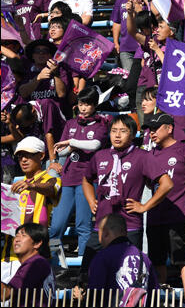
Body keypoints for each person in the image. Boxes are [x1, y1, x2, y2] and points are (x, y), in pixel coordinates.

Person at [80, 114, 173, 280]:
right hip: (101, 226)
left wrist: (144, 206)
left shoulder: (142, 157)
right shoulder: (100, 156)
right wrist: (90, 201)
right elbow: (86, 179)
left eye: (123, 131)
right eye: (114, 130)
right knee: (88, 275)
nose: (117, 135)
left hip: (129, 225)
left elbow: (167, 184)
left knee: (127, 277)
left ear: (132, 134)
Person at [144, 113, 185, 304]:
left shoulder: (184, 149)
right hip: (154, 215)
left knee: (183, 259)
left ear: (169, 128)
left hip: (177, 214)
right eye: (150, 130)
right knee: (158, 260)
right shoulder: (150, 154)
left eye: (156, 129)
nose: (152, 133)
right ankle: (160, 297)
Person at [49, 87, 109, 257]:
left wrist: (72, 142)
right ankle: (57, 265)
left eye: (88, 104)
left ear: (95, 105)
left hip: (88, 181)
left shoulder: (102, 123)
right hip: (68, 178)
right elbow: (61, 151)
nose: (83, 108)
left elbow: (95, 144)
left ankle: (83, 268)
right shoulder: (71, 123)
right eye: (81, 103)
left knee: (83, 226)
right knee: (56, 227)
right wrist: (68, 146)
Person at [1, 137, 61, 282]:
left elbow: (51, 188)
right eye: (20, 156)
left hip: (34, 257)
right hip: (7, 256)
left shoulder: (50, 179)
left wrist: (32, 185)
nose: (23, 160)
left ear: (41, 156)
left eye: (29, 155)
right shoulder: (13, 186)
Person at [84, 213, 158, 295]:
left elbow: (94, 294)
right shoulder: (144, 257)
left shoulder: (102, 257)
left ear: (105, 233)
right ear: (126, 232)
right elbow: (154, 292)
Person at [0, 224, 55, 305]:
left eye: (23, 235)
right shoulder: (39, 262)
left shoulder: (36, 263)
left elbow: (5, 294)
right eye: (16, 235)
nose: (16, 240)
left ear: (37, 243)